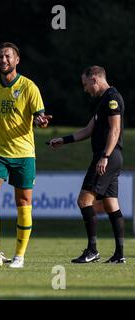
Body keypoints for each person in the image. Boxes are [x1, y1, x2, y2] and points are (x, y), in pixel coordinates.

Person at [0, 42, 52, 268]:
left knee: (24, 202)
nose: (4, 60)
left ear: (17, 60)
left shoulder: (29, 87)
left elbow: (39, 117)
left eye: (8, 57)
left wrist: (40, 122)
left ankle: (19, 256)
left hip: (23, 153)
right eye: (0, 56)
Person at [49, 66, 126, 264]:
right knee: (111, 204)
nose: (85, 89)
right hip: (111, 157)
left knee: (84, 201)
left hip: (107, 156)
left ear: (95, 79)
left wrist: (105, 156)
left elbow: (115, 130)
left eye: (85, 85)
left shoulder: (111, 99)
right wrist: (64, 140)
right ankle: (119, 254)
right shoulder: (103, 100)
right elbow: (89, 130)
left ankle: (92, 250)